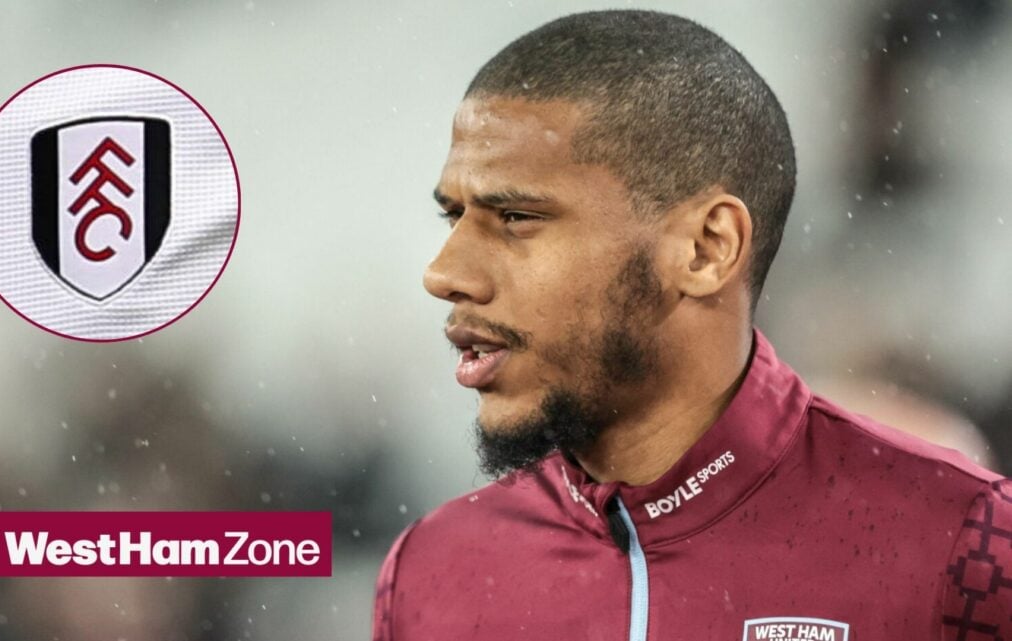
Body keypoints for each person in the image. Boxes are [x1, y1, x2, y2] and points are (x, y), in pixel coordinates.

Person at [371, 10, 1012, 641]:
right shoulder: (427, 573)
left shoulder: (968, 541)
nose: (444, 273)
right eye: (452, 216)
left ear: (707, 249)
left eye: (515, 217)